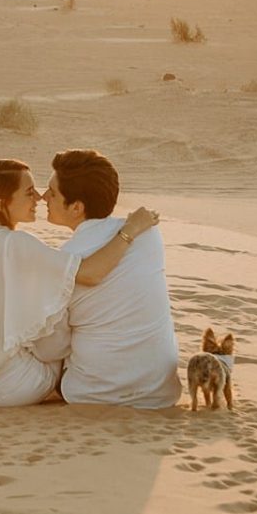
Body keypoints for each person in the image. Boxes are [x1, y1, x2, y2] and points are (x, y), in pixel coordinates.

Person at [0, 158, 159, 408]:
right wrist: (130, 230)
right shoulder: (15, 244)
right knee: (61, 342)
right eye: (29, 192)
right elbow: (91, 273)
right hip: (11, 388)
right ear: (1, 204)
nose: (39, 197)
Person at [32, 150, 181, 409]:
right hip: (160, 391)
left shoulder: (67, 259)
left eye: (53, 193)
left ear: (77, 207)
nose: (44, 197)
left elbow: (50, 350)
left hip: (93, 393)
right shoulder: (147, 233)